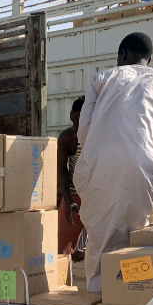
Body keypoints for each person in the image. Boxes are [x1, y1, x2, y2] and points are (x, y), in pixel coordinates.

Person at [76, 32, 153, 292]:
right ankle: (132, 296)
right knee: (137, 237)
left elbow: (84, 131)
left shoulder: (102, 78)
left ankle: (100, 298)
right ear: (149, 59)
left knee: (101, 239)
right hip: (145, 167)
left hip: (101, 167)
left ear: (122, 55)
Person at [56, 96, 86, 261]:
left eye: (79, 124)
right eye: (73, 122)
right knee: (63, 252)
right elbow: (61, 170)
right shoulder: (67, 137)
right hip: (75, 195)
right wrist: (68, 201)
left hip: (99, 196)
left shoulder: (104, 138)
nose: (75, 129)